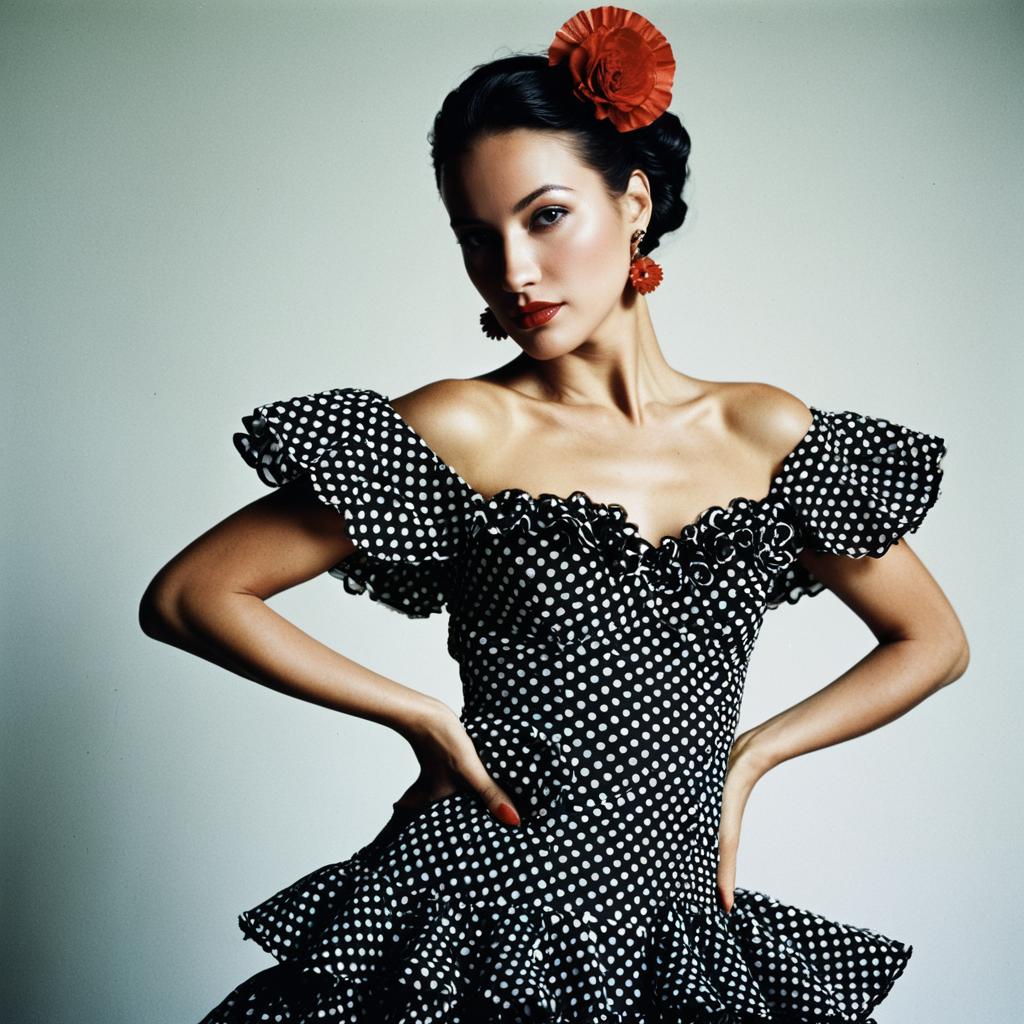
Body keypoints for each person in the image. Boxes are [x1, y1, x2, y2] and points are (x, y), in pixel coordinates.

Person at [140, 6, 969, 1021]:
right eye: (475, 236)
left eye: (544, 216)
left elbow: (930, 640)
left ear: (632, 203)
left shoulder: (767, 432)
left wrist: (748, 760)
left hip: (672, 920)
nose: (514, 272)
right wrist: (420, 718)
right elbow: (191, 595)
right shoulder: (465, 424)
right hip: (477, 907)